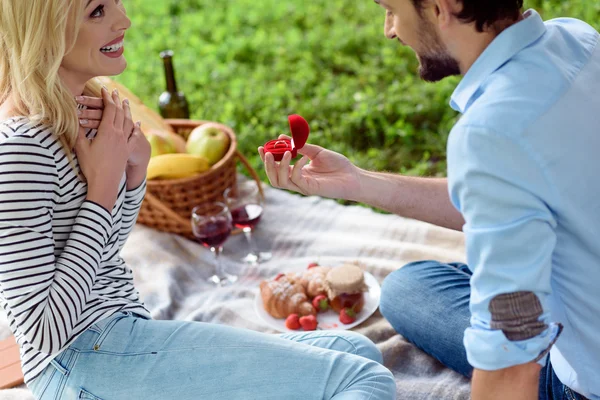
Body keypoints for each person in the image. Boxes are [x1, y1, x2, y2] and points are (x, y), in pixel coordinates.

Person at [0, 1, 397, 399]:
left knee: (357, 349)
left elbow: (100, 252)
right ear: (45, 28)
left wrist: (136, 168)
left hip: (117, 336)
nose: (124, 20)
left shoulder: (75, 111)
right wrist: (102, 191)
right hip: (80, 359)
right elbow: (42, 331)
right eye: (97, 11)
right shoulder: (19, 150)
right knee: (366, 381)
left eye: (117, 2)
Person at [259, 1, 600, 400]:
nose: (389, 29)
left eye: (391, 9)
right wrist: (357, 183)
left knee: (409, 292)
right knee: (407, 285)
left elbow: (510, 358)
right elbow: (519, 188)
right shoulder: (577, 39)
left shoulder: (493, 132)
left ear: (443, 6)